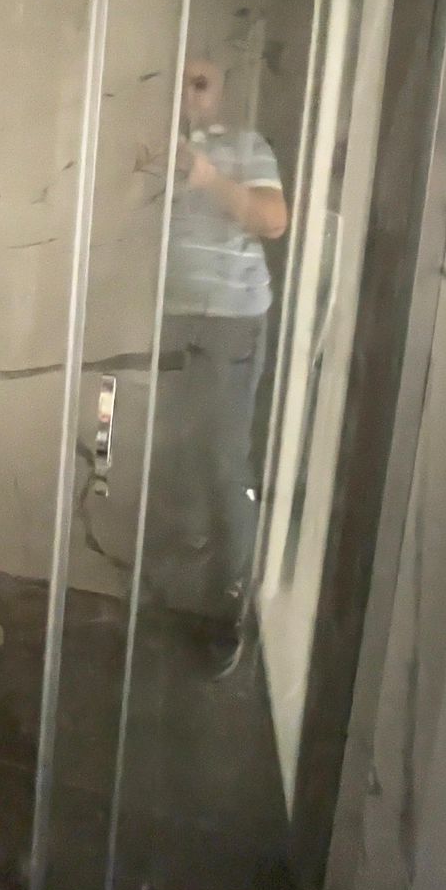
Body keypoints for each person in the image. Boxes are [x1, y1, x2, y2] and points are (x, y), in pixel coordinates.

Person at [153, 58, 288, 676]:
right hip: (174, 319)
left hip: (230, 323)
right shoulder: (164, 145)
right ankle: (190, 582)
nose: (188, 94)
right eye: (180, 81)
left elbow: (274, 221)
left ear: (222, 91)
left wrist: (207, 176)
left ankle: (227, 608)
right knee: (175, 451)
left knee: (224, 463)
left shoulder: (246, 146)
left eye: (201, 82)